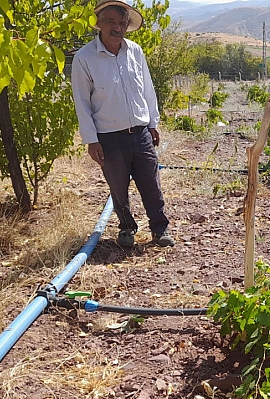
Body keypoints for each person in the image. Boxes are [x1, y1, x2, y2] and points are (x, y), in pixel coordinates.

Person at [71, 0, 174, 248]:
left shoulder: (135, 51)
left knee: (151, 183)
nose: (117, 28)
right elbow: (82, 103)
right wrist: (91, 139)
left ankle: (160, 229)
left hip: (140, 133)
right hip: (109, 137)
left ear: (127, 26)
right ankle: (126, 228)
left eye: (122, 23)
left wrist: (152, 123)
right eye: (111, 22)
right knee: (118, 187)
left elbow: (147, 90)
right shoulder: (85, 58)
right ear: (98, 24)